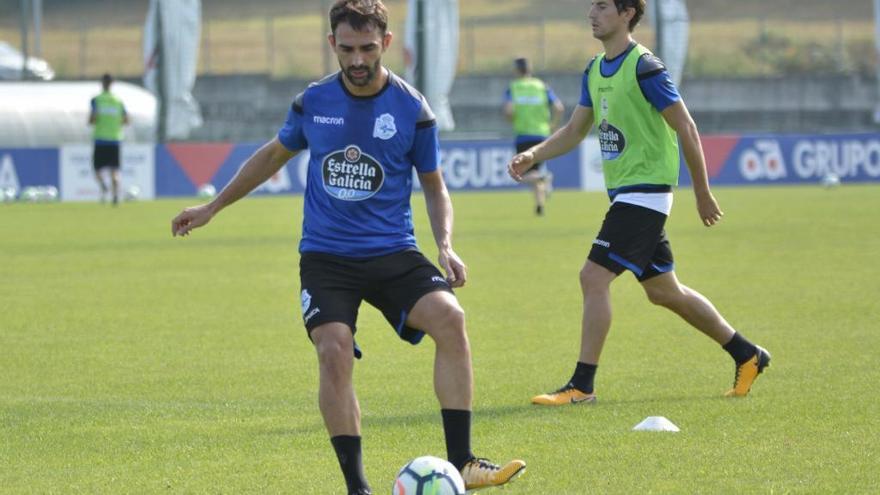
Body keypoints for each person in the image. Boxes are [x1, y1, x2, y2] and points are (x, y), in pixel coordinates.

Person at [171, 1, 525, 493]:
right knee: (333, 350)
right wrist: (213, 207)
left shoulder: (412, 108)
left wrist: (445, 244)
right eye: (347, 48)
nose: (357, 60)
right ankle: (358, 487)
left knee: (452, 318)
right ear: (332, 44)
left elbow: (434, 185)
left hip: (392, 251)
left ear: (386, 43)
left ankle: (462, 460)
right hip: (326, 257)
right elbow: (273, 155)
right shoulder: (313, 101)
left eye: (366, 49)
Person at [508, 0, 770, 406]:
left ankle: (582, 385)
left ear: (627, 13)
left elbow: (686, 125)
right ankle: (747, 354)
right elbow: (576, 129)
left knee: (592, 277)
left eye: (601, 6)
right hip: (629, 194)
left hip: (645, 193)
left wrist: (702, 191)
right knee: (665, 291)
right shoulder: (595, 69)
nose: (591, 14)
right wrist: (534, 154)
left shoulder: (645, 66)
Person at [503, 57, 564, 216]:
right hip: (542, 134)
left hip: (523, 135)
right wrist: (553, 125)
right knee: (535, 171)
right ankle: (540, 205)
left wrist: (512, 119)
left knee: (520, 173)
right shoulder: (542, 86)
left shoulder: (514, 87)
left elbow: (509, 111)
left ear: (516, 70)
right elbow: (559, 107)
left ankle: (544, 178)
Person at [88, 73, 128, 205]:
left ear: (102, 83)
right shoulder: (118, 101)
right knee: (115, 170)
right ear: (112, 83)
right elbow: (126, 120)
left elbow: (92, 119)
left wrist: (94, 120)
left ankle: (104, 187)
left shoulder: (97, 100)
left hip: (100, 139)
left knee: (97, 169)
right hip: (115, 139)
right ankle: (115, 195)